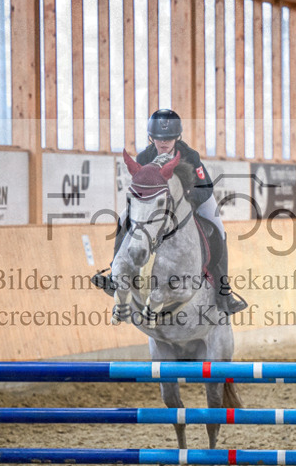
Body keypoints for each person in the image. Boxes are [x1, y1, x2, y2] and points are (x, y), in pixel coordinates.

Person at [93, 108, 247, 315]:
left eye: (169, 138)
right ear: (151, 137)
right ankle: (114, 274)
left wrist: (186, 201)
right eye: (158, 138)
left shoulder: (190, 156)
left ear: (177, 137)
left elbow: (206, 187)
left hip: (193, 198)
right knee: (123, 218)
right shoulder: (144, 157)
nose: (163, 142)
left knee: (218, 227)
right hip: (155, 206)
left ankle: (223, 290)